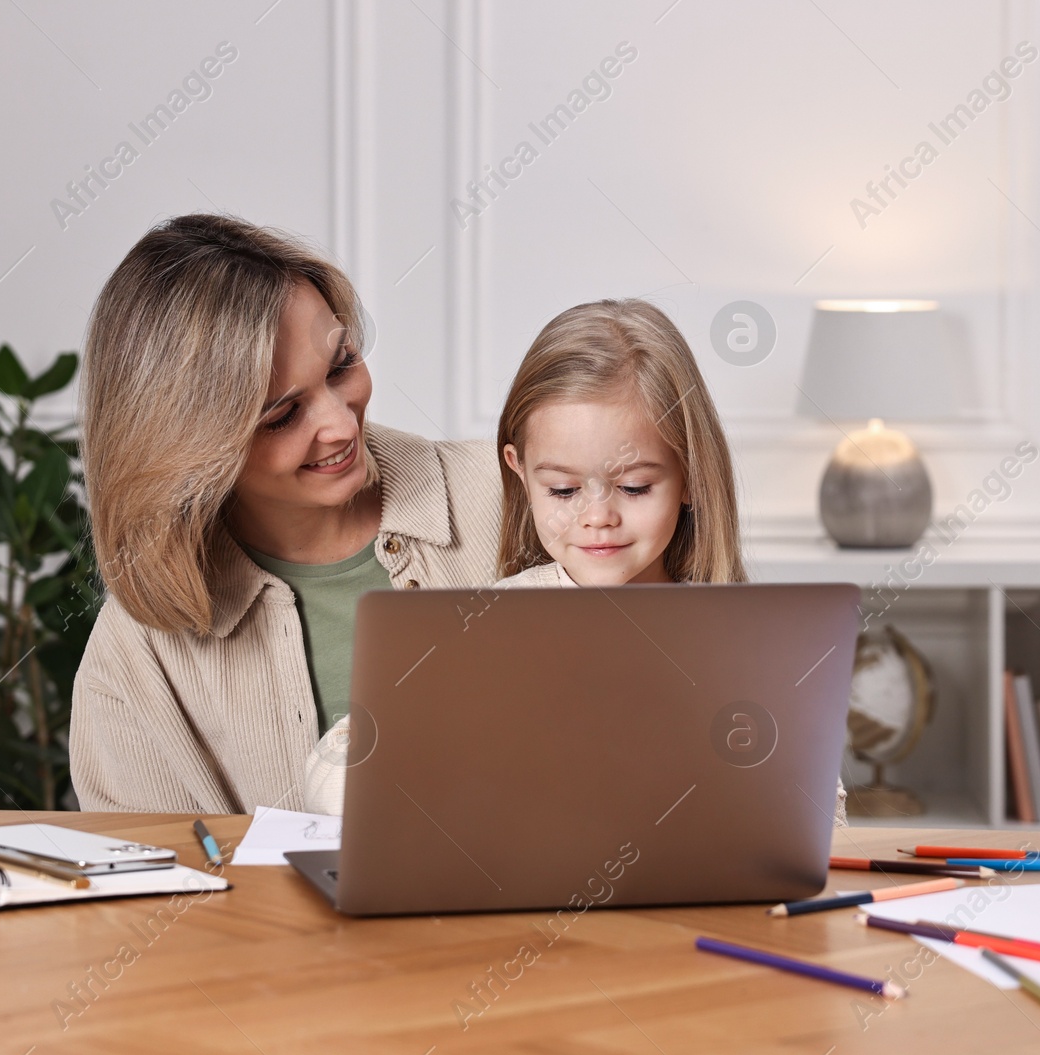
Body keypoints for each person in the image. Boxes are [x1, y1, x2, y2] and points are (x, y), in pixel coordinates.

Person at [305, 298, 847, 826]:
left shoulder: (741, 640)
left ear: (690, 476)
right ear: (520, 471)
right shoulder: (491, 624)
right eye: (563, 490)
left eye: (634, 488)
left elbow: (823, 810)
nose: (597, 518)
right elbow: (334, 769)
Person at [72, 214, 500, 812]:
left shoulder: (519, 500)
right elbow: (155, 893)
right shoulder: (135, 659)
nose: (340, 423)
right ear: (185, 445)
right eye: (282, 415)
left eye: (342, 365)